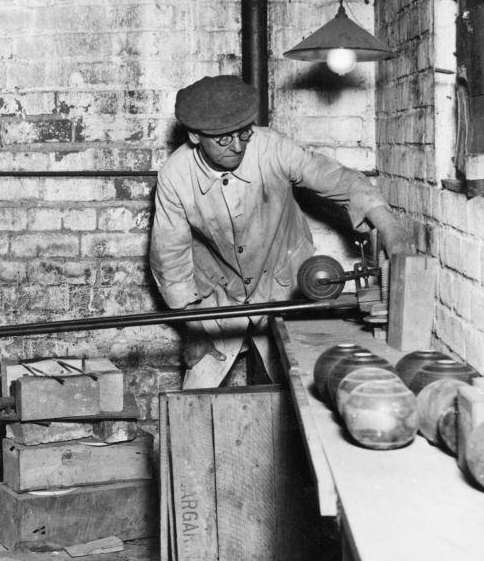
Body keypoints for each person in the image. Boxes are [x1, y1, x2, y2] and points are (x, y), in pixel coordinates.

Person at [149, 75, 414, 389]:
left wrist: (389, 226)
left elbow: (335, 178)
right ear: (194, 136)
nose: (237, 147)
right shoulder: (174, 177)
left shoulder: (271, 147)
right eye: (223, 139)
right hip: (217, 298)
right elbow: (170, 262)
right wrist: (194, 331)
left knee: (304, 393)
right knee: (194, 401)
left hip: (282, 286)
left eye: (244, 133)